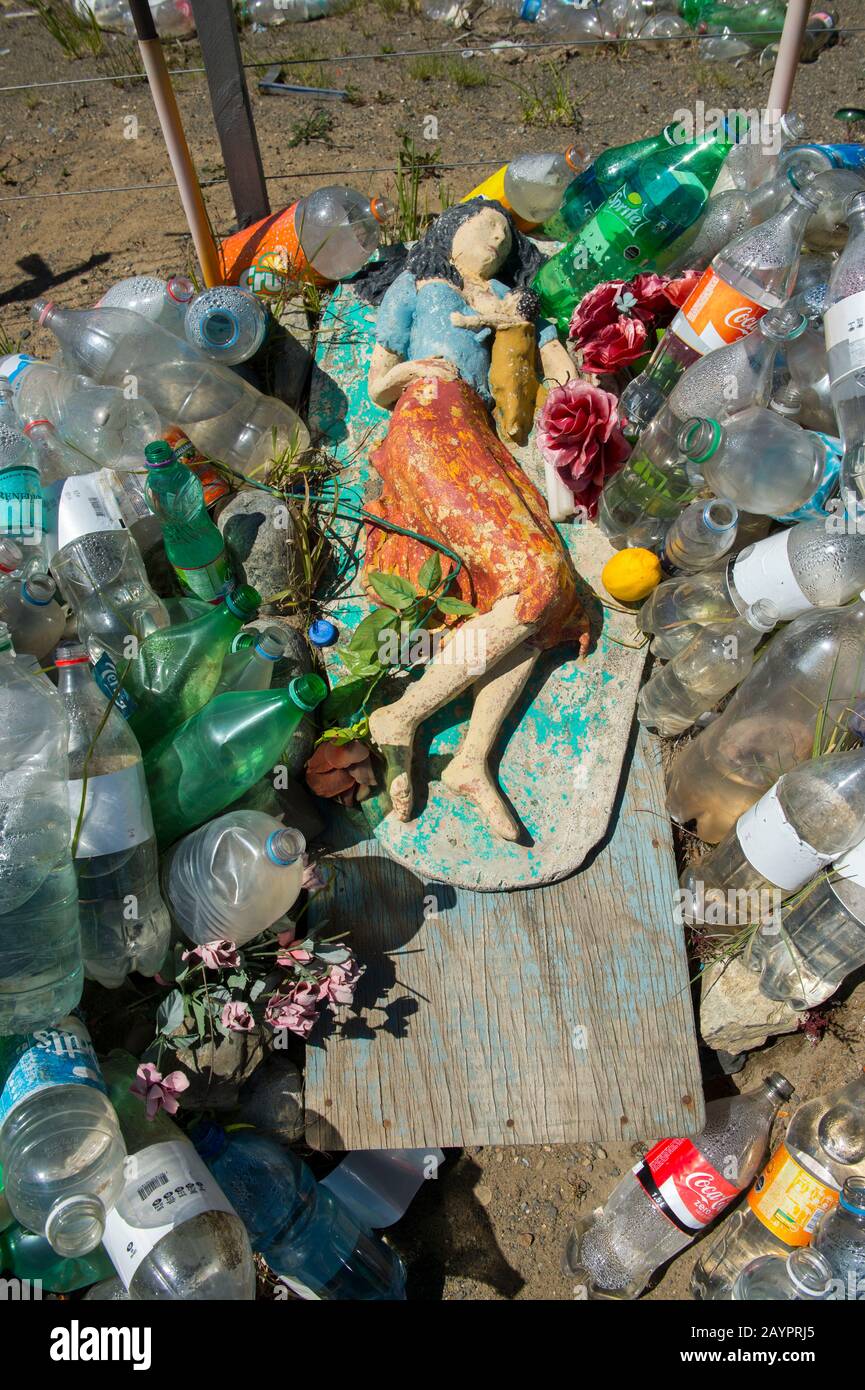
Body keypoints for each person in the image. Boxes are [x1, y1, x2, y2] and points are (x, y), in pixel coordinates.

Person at [355, 199, 591, 841]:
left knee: (545, 595)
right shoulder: (415, 285)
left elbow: (548, 350)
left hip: (481, 435)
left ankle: (467, 758)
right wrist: (410, 370)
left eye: (506, 234)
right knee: (539, 580)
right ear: (447, 232)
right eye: (483, 223)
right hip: (427, 418)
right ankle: (404, 720)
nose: (496, 235)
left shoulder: (514, 300)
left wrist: (565, 371)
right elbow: (377, 385)